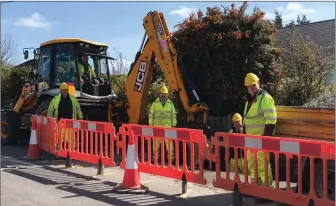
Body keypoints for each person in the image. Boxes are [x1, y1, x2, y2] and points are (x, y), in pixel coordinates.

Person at [243, 73, 277, 203]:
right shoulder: (250, 100)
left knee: (262, 165)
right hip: (251, 140)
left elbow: (271, 119)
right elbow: (247, 120)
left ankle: (267, 192)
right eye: (249, 87)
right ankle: (254, 188)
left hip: (261, 139)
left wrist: (266, 138)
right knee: (252, 164)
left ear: (258, 84)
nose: (251, 88)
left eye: (253, 86)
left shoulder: (265, 98)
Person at [47, 82, 83, 150]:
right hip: (60, 123)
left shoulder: (73, 99)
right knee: (58, 139)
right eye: (63, 90)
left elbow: (78, 108)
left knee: (71, 140)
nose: (64, 92)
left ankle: (70, 153)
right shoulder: (56, 99)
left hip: (70, 124)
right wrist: (50, 119)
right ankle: (58, 152)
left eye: (65, 90)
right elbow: (50, 110)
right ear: (60, 90)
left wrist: (80, 117)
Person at [148, 85, 177, 164]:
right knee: (156, 145)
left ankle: (171, 160)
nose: (164, 95)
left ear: (168, 94)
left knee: (170, 145)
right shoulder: (155, 103)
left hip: (168, 127)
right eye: (162, 93)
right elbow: (151, 114)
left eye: (165, 93)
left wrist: (174, 125)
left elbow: (173, 115)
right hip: (157, 127)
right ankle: (155, 159)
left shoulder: (170, 104)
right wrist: (151, 125)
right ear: (159, 94)